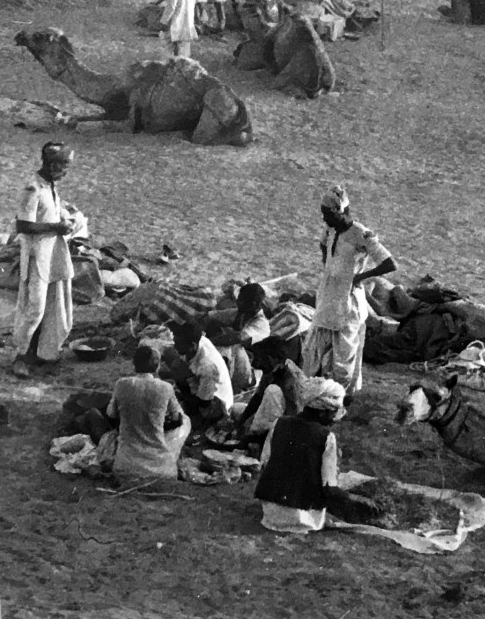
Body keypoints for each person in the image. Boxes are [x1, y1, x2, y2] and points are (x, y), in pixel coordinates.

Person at [253, 377, 379, 533]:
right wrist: (359, 500)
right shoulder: (326, 437)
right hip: (303, 518)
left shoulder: (279, 423)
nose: (335, 419)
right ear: (324, 412)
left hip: (270, 511)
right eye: (334, 414)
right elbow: (330, 489)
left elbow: (265, 463)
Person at [307, 185, 396, 397]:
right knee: (315, 346)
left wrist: (359, 277)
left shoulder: (360, 234)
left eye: (327, 214)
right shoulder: (330, 230)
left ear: (340, 212)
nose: (324, 219)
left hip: (348, 301)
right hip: (328, 295)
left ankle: (340, 397)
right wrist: (329, 269)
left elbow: (389, 263)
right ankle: (318, 391)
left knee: (343, 354)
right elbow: (324, 246)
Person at [10, 141, 78, 377]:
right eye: (63, 165)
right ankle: (21, 356)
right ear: (52, 164)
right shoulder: (32, 188)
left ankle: (44, 354)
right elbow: (23, 224)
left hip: (53, 255)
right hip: (36, 256)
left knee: (54, 305)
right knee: (34, 309)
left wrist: (66, 222)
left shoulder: (50, 187)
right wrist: (55, 227)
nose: (65, 171)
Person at [106, 345, 189, 482]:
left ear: (134, 364)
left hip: (125, 467)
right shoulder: (165, 387)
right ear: (156, 366)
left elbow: (111, 415)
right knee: (186, 420)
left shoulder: (121, 384)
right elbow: (177, 419)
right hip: (161, 470)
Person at [169, 321, 233, 427]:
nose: (175, 347)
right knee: (176, 366)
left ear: (192, 346)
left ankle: (197, 418)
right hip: (202, 384)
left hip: (216, 403)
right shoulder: (197, 340)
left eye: (178, 344)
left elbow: (204, 402)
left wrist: (181, 396)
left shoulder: (207, 366)